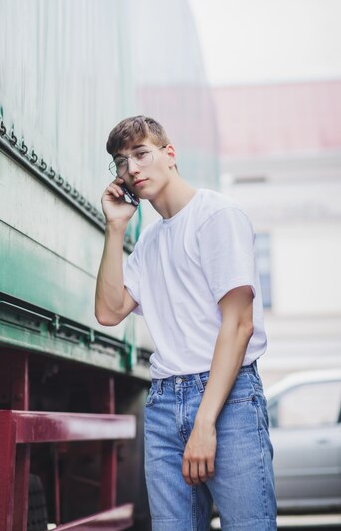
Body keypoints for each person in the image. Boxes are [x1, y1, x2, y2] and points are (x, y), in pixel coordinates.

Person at [95, 116, 277, 531]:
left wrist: (204, 423)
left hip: (227, 401)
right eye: (122, 162)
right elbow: (108, 311)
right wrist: (114, 227)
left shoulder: (217, 216)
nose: (132, 169)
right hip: (162, 403)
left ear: (170, 154)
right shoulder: (149, 241)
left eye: (141, 154)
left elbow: (239, 325)